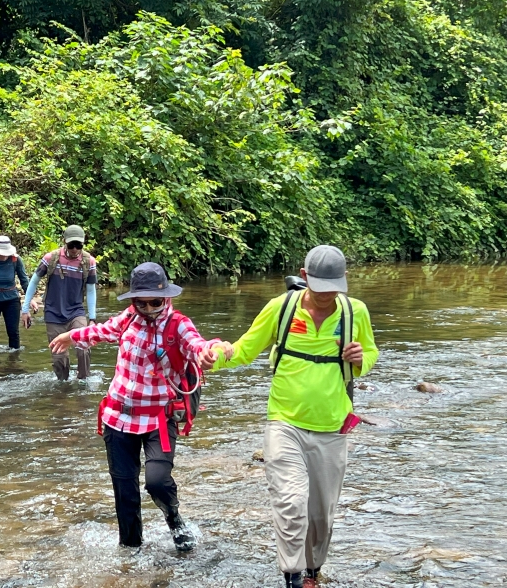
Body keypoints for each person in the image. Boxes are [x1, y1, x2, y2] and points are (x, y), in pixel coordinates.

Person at [204, 245, 379, 588]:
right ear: (304, 277)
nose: (327, 295)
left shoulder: (354, 312)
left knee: (321, 515)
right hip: (284, 422)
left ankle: (314, 572)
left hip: (332, 427)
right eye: (320, 287)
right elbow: (244, 349)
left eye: (334, 288)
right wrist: (216, 355)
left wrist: (360, 358)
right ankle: (293, 576)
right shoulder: (281, 309)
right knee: (291, 501)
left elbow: (370, 353)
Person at [50, 262, 221, 552]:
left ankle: (174, 518)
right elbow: (103, 331)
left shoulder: (177, 324)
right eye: (141, 302)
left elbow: (196, 344)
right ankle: (130, 552)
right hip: (118, 418)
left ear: (167, 298)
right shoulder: (129, 318)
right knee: (124, 490)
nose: (148, 308)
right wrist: (70, 336)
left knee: (157, 482)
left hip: (158, 419)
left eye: (155, 302)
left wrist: (209, 352)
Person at [21, 224, 97, 381]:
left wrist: (93, 318)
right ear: (64, 242)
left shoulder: (89, 262)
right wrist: (25, 309)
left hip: (76, 312)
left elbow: (90, 290)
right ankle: (63, 387)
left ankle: (84, 381)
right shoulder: (51, 259)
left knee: (83, 347)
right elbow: (34, 282)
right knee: (59, 358)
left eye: (79, 245)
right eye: (71, 245)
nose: (75, 249)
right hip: (53, 313)